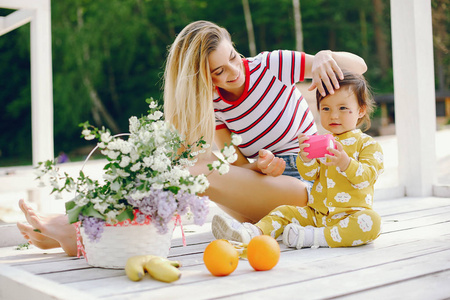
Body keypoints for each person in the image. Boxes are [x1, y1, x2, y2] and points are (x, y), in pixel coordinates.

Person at [17, 20, 367, 255]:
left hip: (310, 185)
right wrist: (262, 165)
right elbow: (239, 164)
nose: (234, 71)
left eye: (232, 57)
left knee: (190, 166)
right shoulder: (215, 105)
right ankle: (83, 224)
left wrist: (324, 58)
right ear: (204, 77)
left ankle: (76, 230)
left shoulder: (270, 65)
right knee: (177, 157)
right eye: (219, 70)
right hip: (270, 186)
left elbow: (358, 67)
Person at [212, 71, 384, 248]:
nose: (333, 115)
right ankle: (251, 233)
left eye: (342, 108)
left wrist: (345, 163)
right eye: (326, 108)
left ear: (361, 110)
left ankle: (314, 237)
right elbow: (309, 174)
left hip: (350, 214)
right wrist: (306, 157)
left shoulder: (368, 144)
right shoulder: (322, 141)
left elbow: (367, 177)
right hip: (317, 214)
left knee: (371, 222)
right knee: (283, 210)